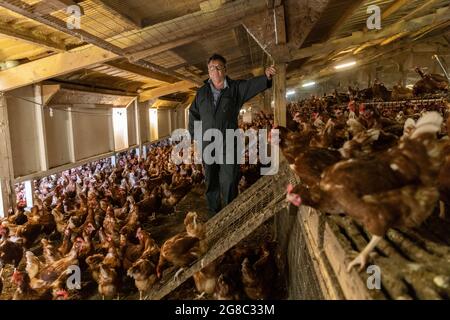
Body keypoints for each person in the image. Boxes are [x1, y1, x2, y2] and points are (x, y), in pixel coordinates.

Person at [188, 53, 276, 217]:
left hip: (229, 142)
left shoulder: (235, 88)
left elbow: (250, 85)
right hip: (208, 142)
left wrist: (266, 77)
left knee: (229, 178)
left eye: (218, 67)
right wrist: (196, 138)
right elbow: (193, 114)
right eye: (211, 68)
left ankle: (230, 213)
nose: (215, 71)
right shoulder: (202, 92)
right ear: (208, 71)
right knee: (211, 180)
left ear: (225, 69)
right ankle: (214, 213)